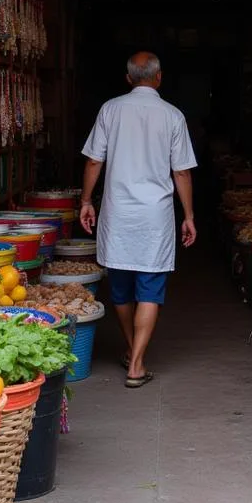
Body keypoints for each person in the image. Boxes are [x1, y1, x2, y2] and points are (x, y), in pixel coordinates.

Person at [79, 52, 197, 388]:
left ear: (129, 78)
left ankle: (134, 352)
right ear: (159, 77)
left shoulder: (110, 110)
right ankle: (136, 363)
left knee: (120, 289)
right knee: (150, 289)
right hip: (154, 217)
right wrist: (188, 216)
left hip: (118, 213)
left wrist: (86, 200)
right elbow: (182, 171)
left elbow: (93, 162)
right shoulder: (173, 116)